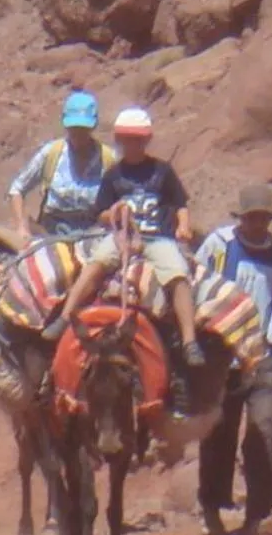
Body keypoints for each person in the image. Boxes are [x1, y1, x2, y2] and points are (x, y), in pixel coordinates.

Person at [42, 107, 205, 367]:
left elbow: (180, 203)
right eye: (127, 139)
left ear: (146, 140)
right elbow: (101, 213)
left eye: (137, 139)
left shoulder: (162, 171)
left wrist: (183, 226)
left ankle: (189, 341)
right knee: (95, 264)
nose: (132, 144)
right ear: (119, 140)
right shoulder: (114, 175)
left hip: (158, 237)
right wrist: (116, 213)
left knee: (178, 274)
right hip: (121, 236)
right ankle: (65, 316)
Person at [195, 185, 272, 535]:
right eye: (251, 217)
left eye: (263, 217)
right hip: (223, 355)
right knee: (218, 433)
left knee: (264, 431)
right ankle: (212, 507)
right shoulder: (218, 245)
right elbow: (196, 284)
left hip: (268, 355)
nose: (257, 224)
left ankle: (259, 514)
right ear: (240, 218)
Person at [6, 91, 117, 241]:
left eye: (83, 129)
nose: (78, 134)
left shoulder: (108, 159)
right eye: (74, 128)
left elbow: (122, 201)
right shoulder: (52, 153)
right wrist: (21, 226)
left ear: (94, 125)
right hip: (52, 234)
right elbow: (17, 189)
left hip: (94, 234)